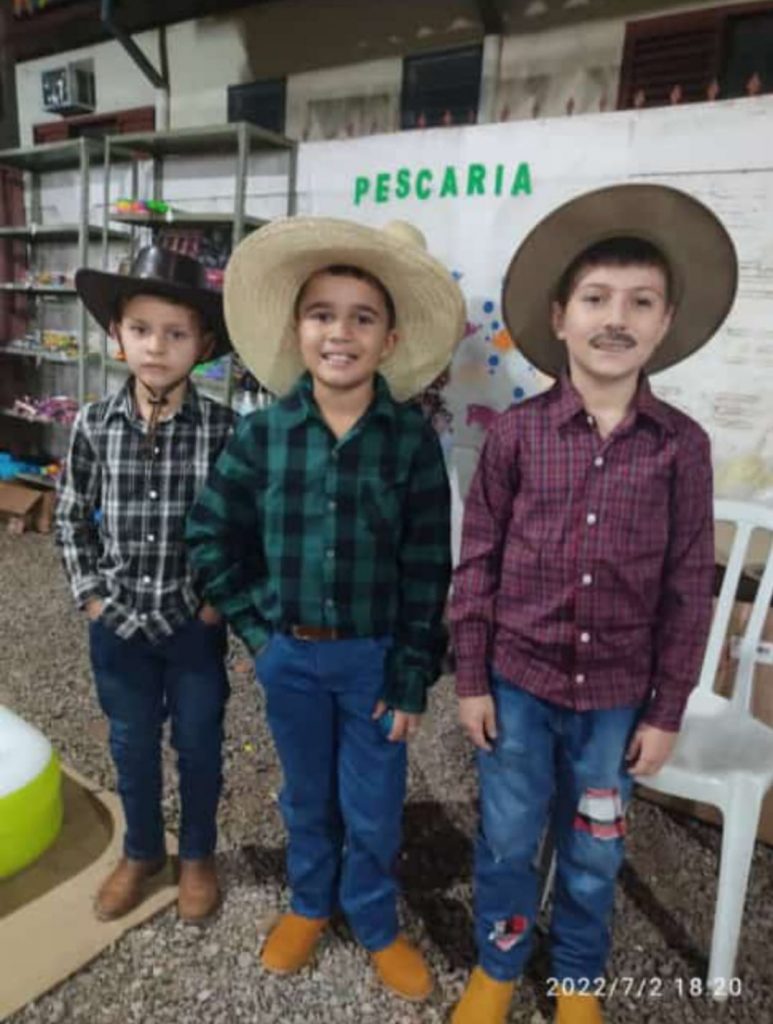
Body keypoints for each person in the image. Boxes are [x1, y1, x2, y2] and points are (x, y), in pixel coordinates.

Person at [449, 184, 737, 1024]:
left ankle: (577, 977)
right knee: (506, 838)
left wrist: (668, 706)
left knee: (592, 849)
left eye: (639, 302)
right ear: (561, 316)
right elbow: (479, 564)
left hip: (617, 699)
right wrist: (471, 678)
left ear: (665, 320)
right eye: (597, 299)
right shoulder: (515, 435)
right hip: (517, 683)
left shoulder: (681, 446)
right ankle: (497, 965)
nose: (617, 318)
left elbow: (689, 582)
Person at [186, 217, 465, 999]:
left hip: (373, 659)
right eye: (321, 314)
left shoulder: (409, 442)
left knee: (374, 805)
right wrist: (255, 631)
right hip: (292, 658)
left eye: (361, 317)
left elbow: (424, 567)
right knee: (306, 793)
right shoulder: (263, 434)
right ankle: (310, 901)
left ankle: (374, 917)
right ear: (297, 329)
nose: (339, 332)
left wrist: (410, 676)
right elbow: (211, 533)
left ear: (388, 337)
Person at [55, 246, 236, 923]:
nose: (156, 346)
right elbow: (72, 517)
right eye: (141, 329)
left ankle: (196, 854)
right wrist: (93, 597)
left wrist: (216, 601)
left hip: (193, 625)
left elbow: (239, 526)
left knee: (199, 743)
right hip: (119, 624)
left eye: (176, 332)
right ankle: (140, 850)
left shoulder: (224, 429)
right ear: (116, 335)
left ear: (204, 344)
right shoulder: (92, 425)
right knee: (130, 742)